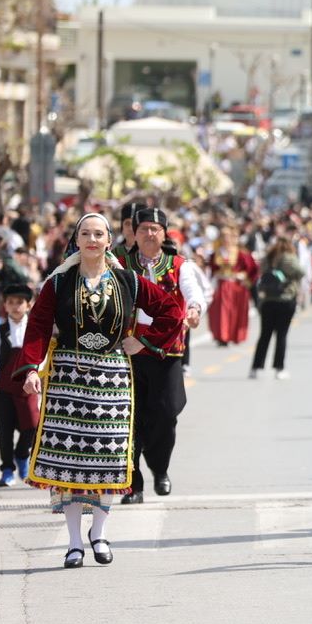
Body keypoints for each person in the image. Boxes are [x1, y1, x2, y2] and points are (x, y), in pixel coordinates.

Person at [16, 212, 181, 568]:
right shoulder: (58, 283)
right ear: (76, 240)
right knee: (70, 461)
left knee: (107, 455)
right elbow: (39, 325)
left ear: (110, 241)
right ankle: (74, 541)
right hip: (68, 378)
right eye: (86, 234)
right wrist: (31, 367)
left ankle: (100, 532)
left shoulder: (128, 281)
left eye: (99, 234)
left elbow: (172, 311)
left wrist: (145, 341)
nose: (92, 240)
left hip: (112, 377)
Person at [118, 207, 207, 504]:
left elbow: (193, 293)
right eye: (142, 228)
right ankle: (134, 484)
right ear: (134, 232)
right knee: (131, 417)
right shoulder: (120, 263)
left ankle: (160, 468)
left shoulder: (178, 264)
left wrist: (194, 310)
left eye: (154, 229)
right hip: (129, 348)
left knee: (167, 413)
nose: (148, 234)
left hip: (167, 350)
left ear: (164, 233)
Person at [0, 283, 40, 486]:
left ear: (29, 305)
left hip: (28, 387)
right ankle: (7, 471)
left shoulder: (35, 328)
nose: (15, 306)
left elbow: (42, 356)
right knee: (4, 430)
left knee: (32, 426)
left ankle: (22, 455)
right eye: (11, 302)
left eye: (20, 302)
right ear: (5, 305)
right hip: (4, 387)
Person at [250, 234, 306, 378]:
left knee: (264, 335)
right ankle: (279, 368)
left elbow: (261, 273)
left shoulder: (268, 259)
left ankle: (256, 367)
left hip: (268, 299)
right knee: (281, 335)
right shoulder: (289, 257)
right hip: (285, 298)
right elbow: (301, 272)